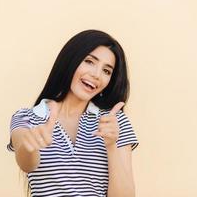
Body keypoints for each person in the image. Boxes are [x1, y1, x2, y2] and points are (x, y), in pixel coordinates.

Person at [7, 29, 139, 197]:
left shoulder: (114, 122)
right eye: (89, 61)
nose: (96, 74)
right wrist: (29, 146)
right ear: (71, 60)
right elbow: (26, 163)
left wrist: (111, 146)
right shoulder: (26, 117)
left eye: (106, 71)